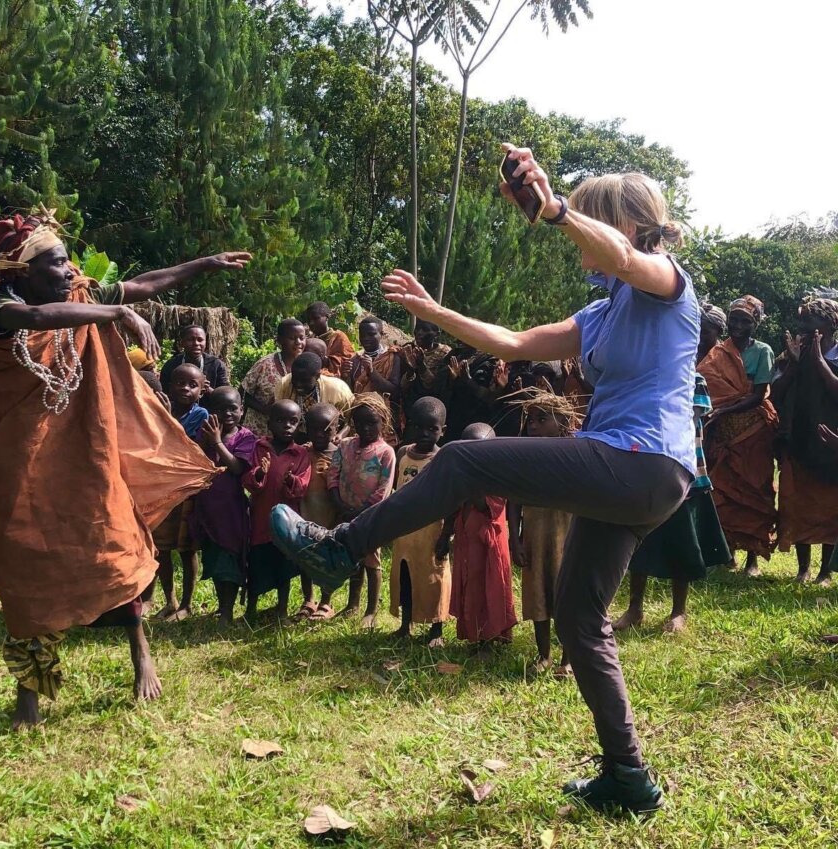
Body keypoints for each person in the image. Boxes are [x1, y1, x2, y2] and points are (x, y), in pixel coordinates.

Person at [272, 146, 696, 814]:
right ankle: (629, 777)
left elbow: (620, 257)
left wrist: (556, 209)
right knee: (582, 618)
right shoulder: (601, 313)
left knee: (467, 460)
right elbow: (514, 342)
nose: (576, 237)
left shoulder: (666, 282)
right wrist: (435, 312)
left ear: (625, 225)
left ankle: (340, 546)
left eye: (590, 220)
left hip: (643, 458)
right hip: (633, 475)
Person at [0, 211, 243, 728]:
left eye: (66, 260)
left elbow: (142, 284)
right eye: (55, 262)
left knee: (113, 539)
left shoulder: (79, 295)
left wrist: (206, 262)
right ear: (19, 271)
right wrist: (115, 315)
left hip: (84, 450)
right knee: (26, 563)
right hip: (17, 458)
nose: (68, 270)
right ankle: (30, 689)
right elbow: (38, 320)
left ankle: (140, 649)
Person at [614, 373, 731, 633]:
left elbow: (683, 420)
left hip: (683, 473)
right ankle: (635, 608)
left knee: (682, 543)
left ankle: (678, 612)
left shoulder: (693, 379)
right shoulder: (644, 374)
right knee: (640, 543)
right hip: (646, 470)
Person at [699, 296, 777, 576]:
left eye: (745, 321)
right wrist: (719, 413)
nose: (738, 326)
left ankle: (753, 560)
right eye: (734, 320)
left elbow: (757, 396)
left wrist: (724, 410)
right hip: (724, 432)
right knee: (723, 489)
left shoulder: (763, 351)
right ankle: (728, 553)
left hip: (753, 431)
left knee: (755, 489)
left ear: (755, 324)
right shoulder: (718, 353)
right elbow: (706, 386)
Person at [506, 391, 577, 677]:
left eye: (541, 419)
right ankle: (544, 654)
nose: (533, 426)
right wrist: (515, 538)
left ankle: (568, 659)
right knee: (537, 594)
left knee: (567, 595)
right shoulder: (526, 455)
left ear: (563, 422)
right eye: (530, 420)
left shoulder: (574, 453)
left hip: (566, 532)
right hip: (535, 533)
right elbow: (514, 501)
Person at [772, 297, 838, 583]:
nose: (809, 334)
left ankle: (825, 571)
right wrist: (797, 364)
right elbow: (774, 394)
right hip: (799, 440)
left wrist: (820, 362)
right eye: (805, 328)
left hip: (831, 445)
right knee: (797, 504)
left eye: (815, 329)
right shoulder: (792, 355)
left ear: (831, 328)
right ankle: (803, 568)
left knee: (829, 508)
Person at [438, 423, 517, 653]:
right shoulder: (461, 475)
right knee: (470, 587)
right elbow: (453, 507)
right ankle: (474, 634)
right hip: (467, 542)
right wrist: (445, 535)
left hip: (489, 547)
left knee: (490, 588)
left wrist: (471, 477)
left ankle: (491, 636)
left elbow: (486, 505)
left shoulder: (498, 476)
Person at [326, 393, 395, 628]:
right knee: (353, 556)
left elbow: (383, 489)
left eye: (372, 423)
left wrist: (360, 512)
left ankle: (371, 610)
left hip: (370, 516)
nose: (365, 428)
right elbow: (333, 474)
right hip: (344, 512)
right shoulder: (345, 446)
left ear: (383, 423)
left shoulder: (385, 453)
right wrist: (339, 503)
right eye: (360, 423)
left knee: (371, 559)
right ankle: (352, 604)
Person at [192, 387, 258, 628]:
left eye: (233, 408)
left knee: (230, 559)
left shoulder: (245, 437)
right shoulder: (204, 433)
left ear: (241, 410)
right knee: (215, 559)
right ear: (211, 412)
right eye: (221, 409)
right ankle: (223, 606)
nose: (228, 413)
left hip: (232, 512)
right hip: (209, 509)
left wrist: (218, 442)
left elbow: (238, 468)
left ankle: (227, 612)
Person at [149, 363, 210, 621]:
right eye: (179, 383)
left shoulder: (201, 415)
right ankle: (170, 600)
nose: (185, 388)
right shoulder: (155, 410)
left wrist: (167, 417)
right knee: (161, 547)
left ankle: (187, 604)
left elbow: (186, 446)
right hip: (161, 487)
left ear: (201, 390)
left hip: (187, 489)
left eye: (192, 385)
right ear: (168, 386)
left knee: (187, 549)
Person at [242, 399, 311, 623]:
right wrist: (259, 474)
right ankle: (250, 610)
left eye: (293, 421)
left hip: (286, 523)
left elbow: (302, 486)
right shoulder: (259, 448)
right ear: (270, 423)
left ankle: (282, 610)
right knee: (256, 565)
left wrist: (291, 480)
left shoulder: (300, 454)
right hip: (261, 520)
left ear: (299, 424)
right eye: (281, 420)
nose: (287, 426)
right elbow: (249, 480)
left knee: (284, 566)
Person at [389, 396, 450, 647]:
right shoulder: (403, 453)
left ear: (442, 431)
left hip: (432, 531)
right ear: (410, 426)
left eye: (432, 429)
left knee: (434, 578)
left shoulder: (444, 459)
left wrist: (447, 536)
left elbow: (451, 500)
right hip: (405, 531)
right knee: (405, 576)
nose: (425, 434)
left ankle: (436, 629)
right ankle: (406, 624)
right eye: (419, 427)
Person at [297, 403, 341, 621]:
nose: (320, 435)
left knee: (327, 561)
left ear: (337, 429)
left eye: (327, 430)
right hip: (306, 515)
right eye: (314, 429)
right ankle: (308, 598)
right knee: (305, 557)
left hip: (330, 518)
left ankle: (326, 601)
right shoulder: (303, 452)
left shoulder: (341, 455)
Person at [241, 319, 306, 437]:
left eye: (302, 338)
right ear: (280, 340)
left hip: (289, 434)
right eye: (292, 338)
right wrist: (265, 409)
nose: (298, 342)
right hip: (260, 430)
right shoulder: (265, 364)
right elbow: (243, 393)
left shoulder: (306, 366)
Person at [347, 315, 403, 440]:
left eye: (371, 334)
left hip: (384, 419)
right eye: (362, 335)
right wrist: (344, 374)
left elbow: (394, 390)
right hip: (359, 421)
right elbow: (351, 393)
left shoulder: (392, 357)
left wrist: (372, 372)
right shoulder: (355, 360)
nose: (366, 339)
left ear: (382, 335)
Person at [159, 324, 229, 407]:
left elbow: (225, 398)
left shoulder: (216, 365)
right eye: (190, 339)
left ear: (205, 342)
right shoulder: (172, 365)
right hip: (176, 412)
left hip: (208, 414)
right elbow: (163, 393)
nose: (196, 343)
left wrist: (206, 388)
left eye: (200, 340)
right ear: (182, 342)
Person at [400, 319, 452, 410]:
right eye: (417, 329)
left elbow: (434, 386)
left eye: (425, 329)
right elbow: (402, 386)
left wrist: (421, 365)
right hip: (409, 403)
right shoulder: (408, 349)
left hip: (432, 405)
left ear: (437, 334)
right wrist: (410, 371)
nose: (419, 333)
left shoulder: (445, 353)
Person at [305, 301, 355, 378]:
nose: (311, 323)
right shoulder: (309, 340)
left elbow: (349, 361)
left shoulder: (339, 337)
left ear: (327, 317)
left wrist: (327, 361)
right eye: (309, 320)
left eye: (315, 318)